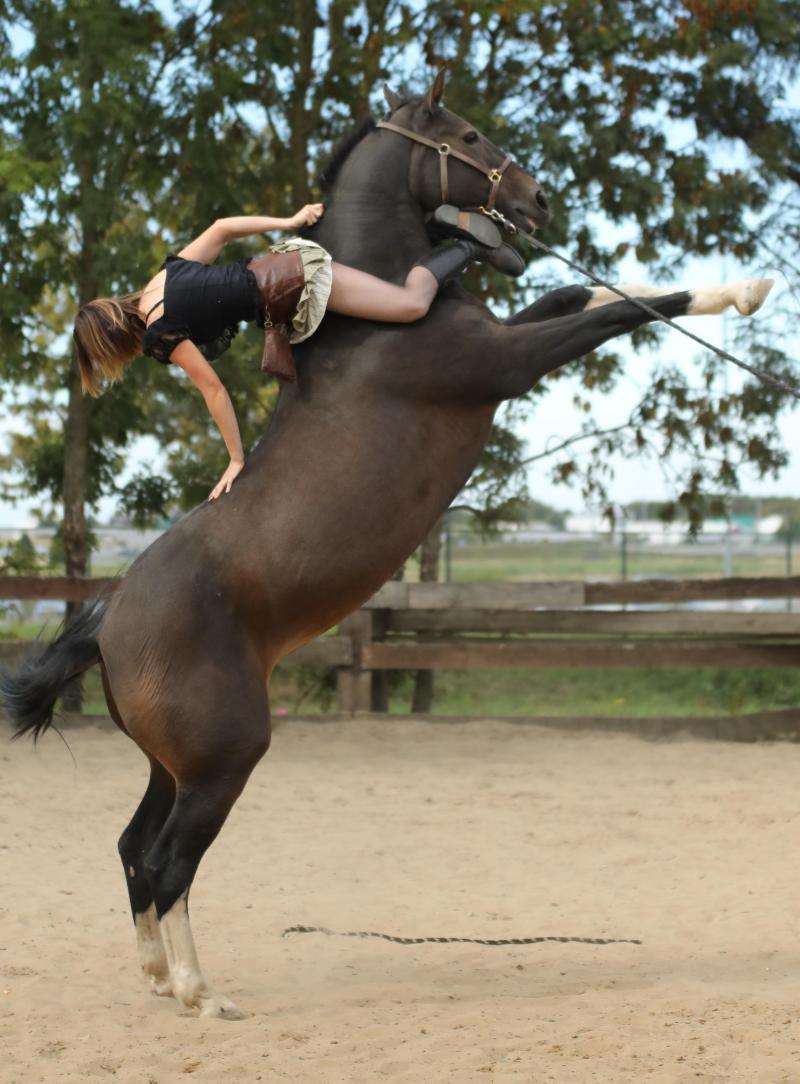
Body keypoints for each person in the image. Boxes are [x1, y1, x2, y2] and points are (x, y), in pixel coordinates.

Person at [72, 202, 523, 501]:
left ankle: (468, 244)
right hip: (280, 273)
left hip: (296, 285)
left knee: (409, 305)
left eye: (115, 357)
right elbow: (221, 229)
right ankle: (443, 235)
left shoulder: (160, 332)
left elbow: (212, 390)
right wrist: (288, 221)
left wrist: (236, 457)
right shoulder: (160, 281)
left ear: (116, 341)